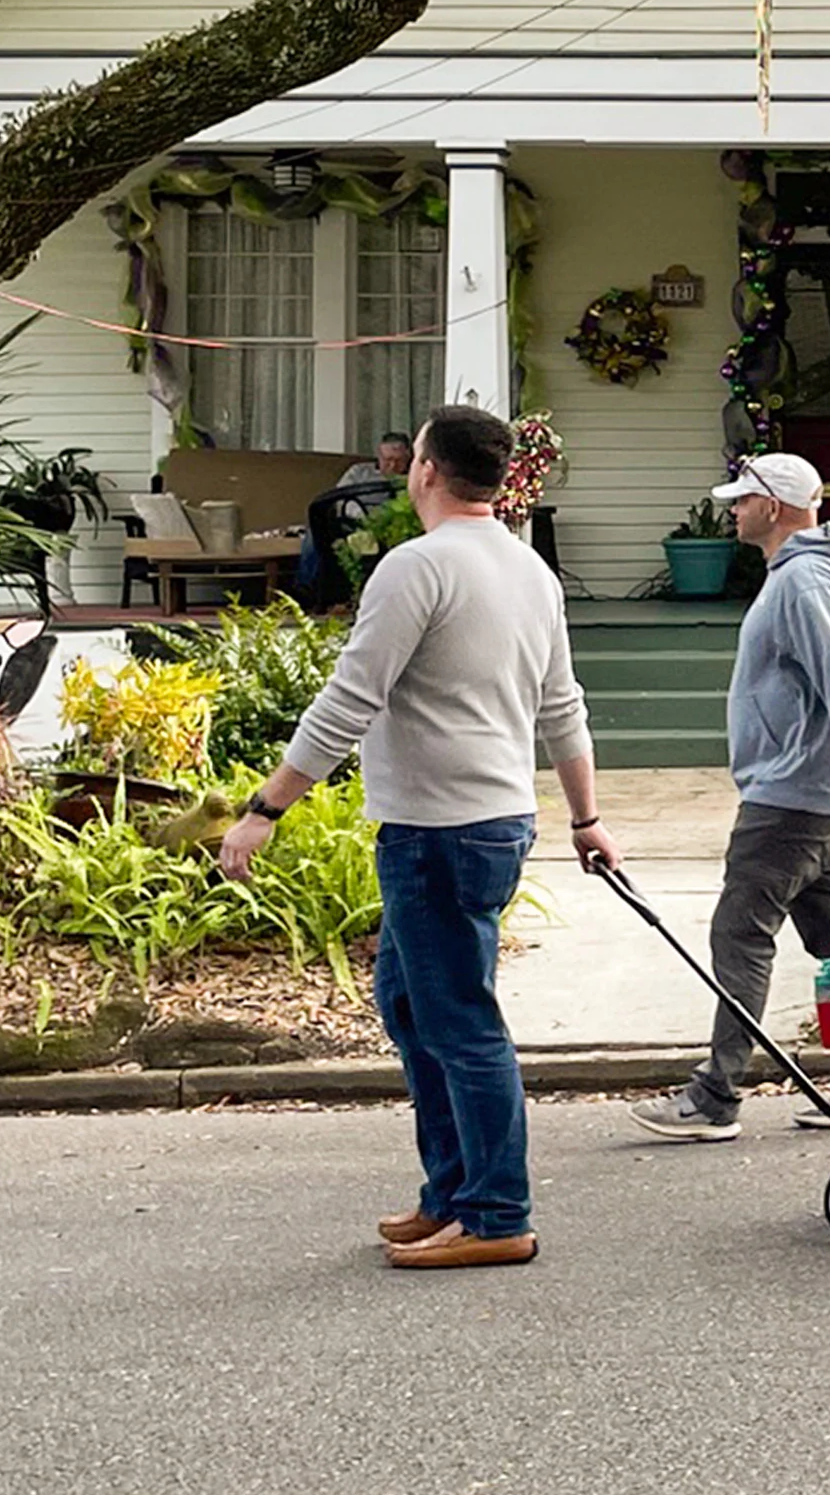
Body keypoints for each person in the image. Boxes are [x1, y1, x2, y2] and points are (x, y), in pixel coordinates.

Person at [220, 403, 612, 1268]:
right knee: (410, 1006)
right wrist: (585, 818)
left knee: (458, 1020)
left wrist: (265, 807)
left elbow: (348, 702)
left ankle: (497, 1213)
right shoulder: (528, 571)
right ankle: (452, 1194)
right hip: (488, 820)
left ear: (425, 469)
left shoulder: (416, 567)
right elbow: (563, 708)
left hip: (442, 829)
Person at [634, 451, 830, 1140]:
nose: (732, 509)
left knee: (739, 935)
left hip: (790, 801)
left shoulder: (804, 582)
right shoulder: (800, 575)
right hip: (815, 795)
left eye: (742, 498)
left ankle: (715, 1095)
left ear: (774, 506)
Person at [296, 431, 417, 607]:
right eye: (387, 459)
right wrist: (359, 518)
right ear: (379, 455)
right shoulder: (359, 472)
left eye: (398, 461)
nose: (392, 465)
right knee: (316, 530)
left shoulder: (412, 479)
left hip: (391, 526)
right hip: (352, 522)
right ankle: (305, 589)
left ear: (408, 459)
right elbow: (338, 498)